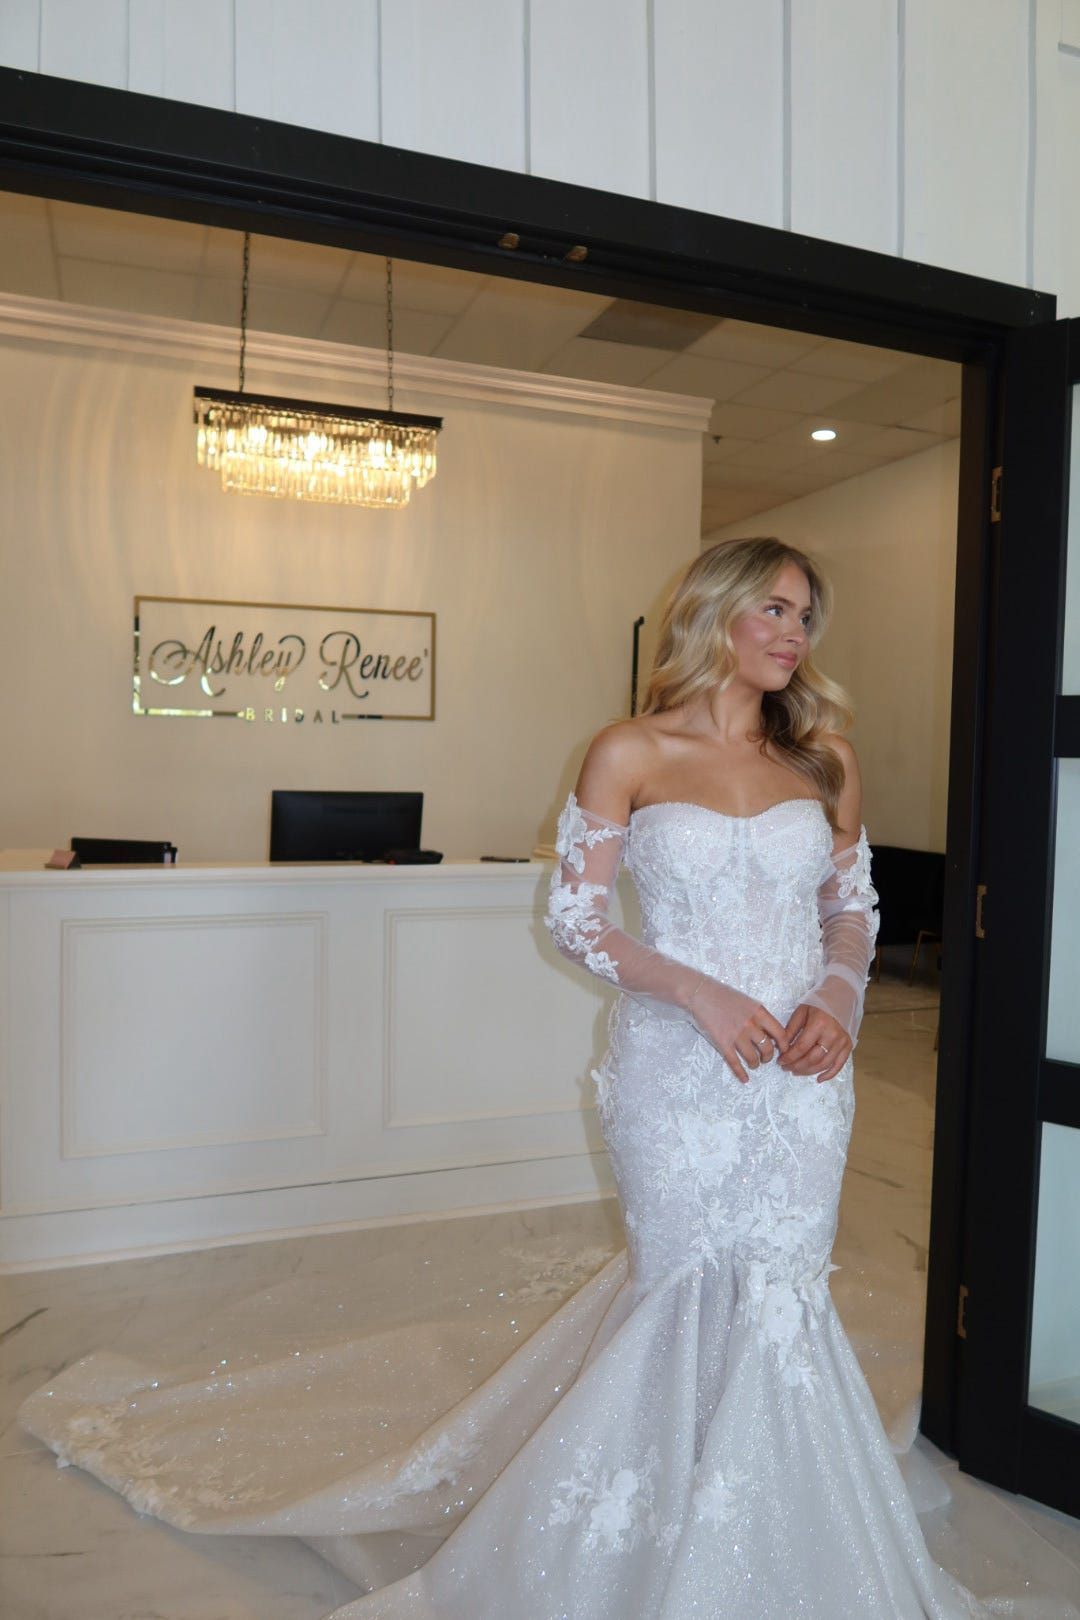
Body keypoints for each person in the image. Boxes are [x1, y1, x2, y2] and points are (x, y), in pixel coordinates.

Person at [16, 538, 1056, 1618]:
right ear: (715, 613)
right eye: (776, 610)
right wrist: (696, 994)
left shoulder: (826, 758)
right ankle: (646, 1539)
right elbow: (578, 920)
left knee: (784, 1294)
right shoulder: (627, 751)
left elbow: (853, 908)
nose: (795, 634)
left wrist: (840, 1000)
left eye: (806, 618)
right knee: (684, 1283)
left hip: (803, 1076)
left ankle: (778, 1540)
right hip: (676, 1073)